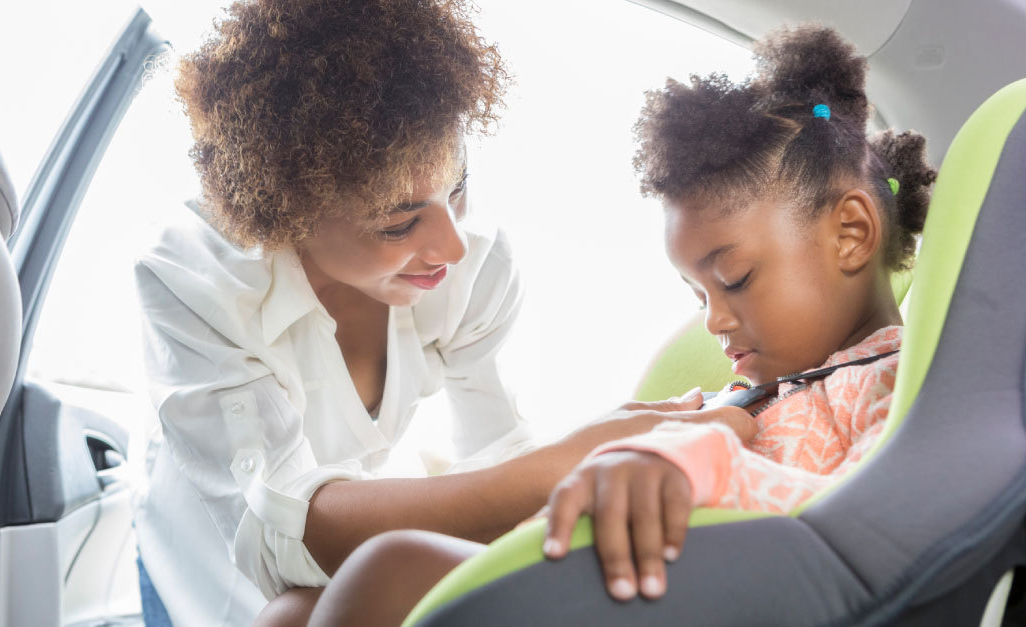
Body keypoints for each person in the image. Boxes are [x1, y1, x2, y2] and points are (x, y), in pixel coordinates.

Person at [131, 1, 753, 625]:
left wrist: (587, 464)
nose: (451, 246)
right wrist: (563, 461)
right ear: (289, 211)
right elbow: (279, 529)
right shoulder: (194, 282)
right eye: (400, 222)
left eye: (457, 186)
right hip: (202, 552)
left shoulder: (475, 266)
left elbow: (495, 452)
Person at [301, 24, 937, 627]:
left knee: (385, 570)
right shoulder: (744, 396)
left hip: (680, 600)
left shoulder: (892, 381)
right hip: (586, 577)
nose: (714, 319)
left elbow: (874, 532)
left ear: (851, 234)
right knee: (295, 609)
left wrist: (697, 461)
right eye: (697, 295)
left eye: (735, 277)